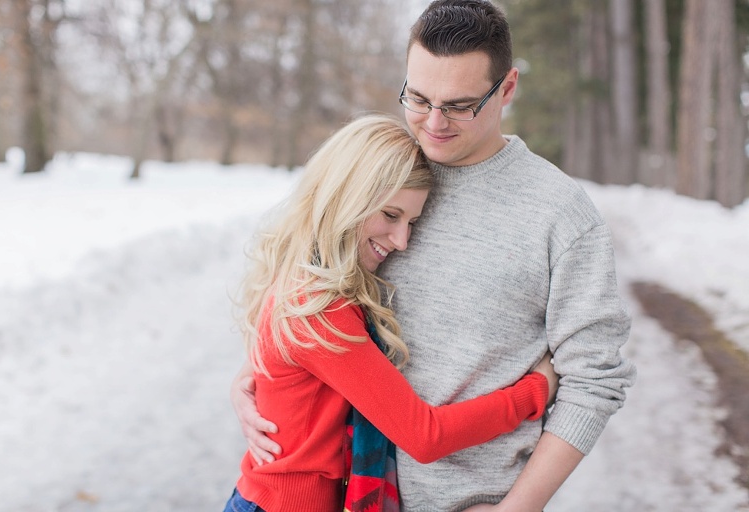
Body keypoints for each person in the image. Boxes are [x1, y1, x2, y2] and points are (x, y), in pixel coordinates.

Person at [235, 1, 637, 510]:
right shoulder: (385, 179)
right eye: (418, 99)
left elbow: (594, 381)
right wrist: (251, 385)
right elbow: (313, 302)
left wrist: (520, 507)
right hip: (351, 496)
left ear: (507, 88)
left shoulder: (560, 215)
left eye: (460, 105)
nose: (434, 124)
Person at [223, 114, 558, 512]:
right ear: (347, 197)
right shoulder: (317, 308)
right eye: (390, 215)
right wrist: (535, 390)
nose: (401, 241)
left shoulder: (310, 276)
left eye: (412, 222)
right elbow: (424, 435)